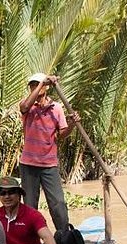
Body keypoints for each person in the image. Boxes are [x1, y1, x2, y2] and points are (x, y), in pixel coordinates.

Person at [19, 72, 80, 231]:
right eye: (32, 85)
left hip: (49, 164)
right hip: (28, 164)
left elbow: (61, 135)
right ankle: (32, 242)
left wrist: (72, 124)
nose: (35, 87)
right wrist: (42, 83)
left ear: (46, 88)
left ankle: (64, 236)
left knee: (58, 204)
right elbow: (25, 107)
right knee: (30, 206)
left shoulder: (57, 108)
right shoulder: (27, 106)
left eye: (37, 84)